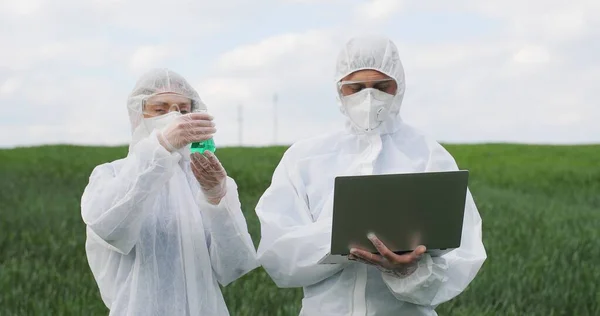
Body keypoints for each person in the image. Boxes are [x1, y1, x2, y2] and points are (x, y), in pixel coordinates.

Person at [255, 36, 487, 315]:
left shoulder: (428, 155)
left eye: (380, 86)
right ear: (340, 90)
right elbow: (278, 255)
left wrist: (411, 270)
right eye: (355, 87)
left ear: (399, 86)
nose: (368, 96)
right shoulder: (304, 158)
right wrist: (342, 237)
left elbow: (465, 253)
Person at [81, 68, 258, 315]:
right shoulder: (111, 175)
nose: (174, 117)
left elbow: (234, 265)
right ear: (137, 116)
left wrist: (217, 199)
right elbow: (110, 229)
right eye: (160, 109)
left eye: (183, 110)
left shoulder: (202, 180)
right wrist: (160, 148)